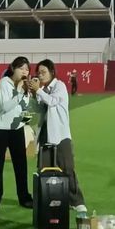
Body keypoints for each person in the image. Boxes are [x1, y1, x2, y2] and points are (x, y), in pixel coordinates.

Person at [29, 59, 87, 215]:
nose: (40, 76)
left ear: (52, 72)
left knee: (67, 168)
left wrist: (38, 91)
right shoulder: (44, 90)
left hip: (61, 134)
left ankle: (77, 201)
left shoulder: (59, 86)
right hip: (46, 133)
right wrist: (34, 94)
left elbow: (53, 101)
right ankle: (48, 199)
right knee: (44, 169)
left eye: (43, 72)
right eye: (38, 73)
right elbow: (39, 109)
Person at [0, 56, 34, 211]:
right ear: (13, 68)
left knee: (21, 165)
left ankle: (24, 197)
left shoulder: (24, 87)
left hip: (17, 129)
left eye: (27, 69)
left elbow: (25, 108)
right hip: (0, 129)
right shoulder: (4, 83)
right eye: (21, 68)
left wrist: (26, 122)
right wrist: (20, 91)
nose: (24, 72)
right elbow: (5, 107)